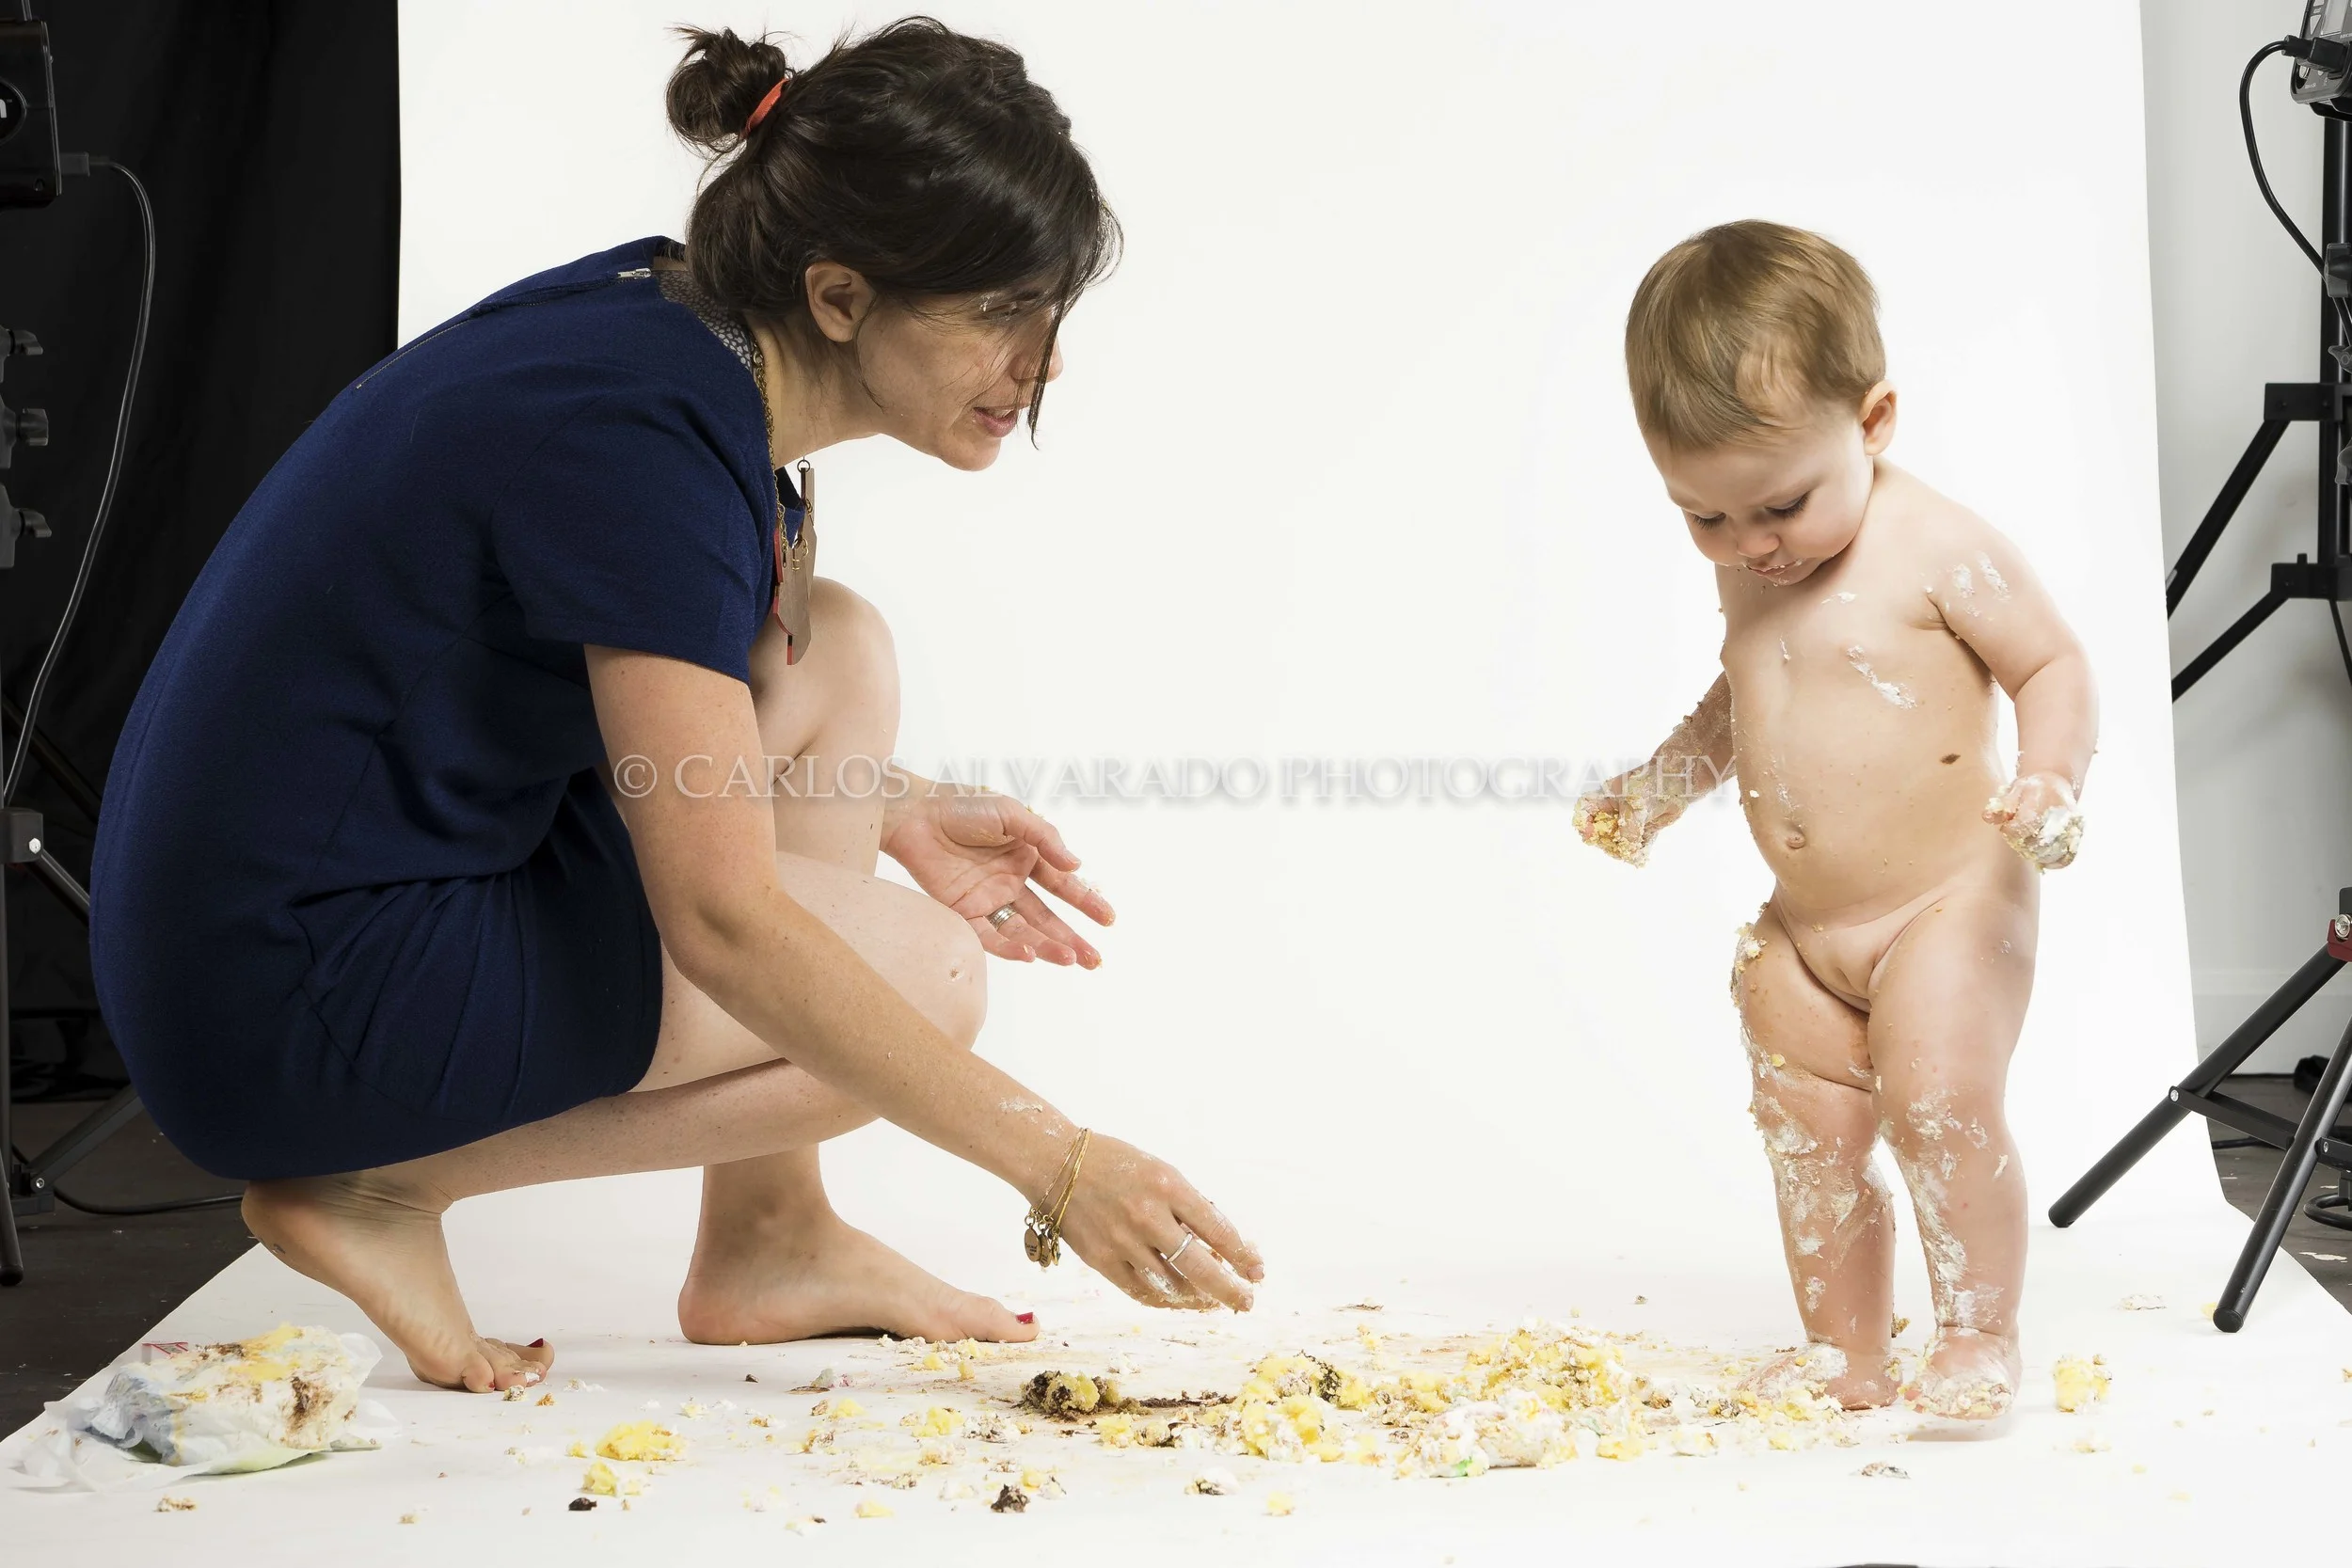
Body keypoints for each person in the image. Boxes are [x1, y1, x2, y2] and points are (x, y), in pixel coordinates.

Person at [87, 19, 1261, 1396]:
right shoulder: (643, 444)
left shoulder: (667, 328)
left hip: (280, 911)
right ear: (838, 296)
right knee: (929, 976)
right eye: (1003, 310)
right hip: (279, 993)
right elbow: (724, 921)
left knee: (836, 651)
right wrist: (1059, 1163)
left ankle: (772, 1237)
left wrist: (883, 802)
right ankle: (379, 1186)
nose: (1041, 361)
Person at [1573, 220, 2098, 1419]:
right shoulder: (1754, 560)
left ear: (1873, 421)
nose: (1749, 545)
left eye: (1780, 505)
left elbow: (2052, 662)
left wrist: (2050, 776)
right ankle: (1845, 1351)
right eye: (1704, 517)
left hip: (1945, 902)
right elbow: (1744, 690)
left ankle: (1977, 1331)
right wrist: (1658, 786)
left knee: (1937, 1104)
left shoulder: (1938, 548)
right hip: (1804, 927)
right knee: (1805, 1130)